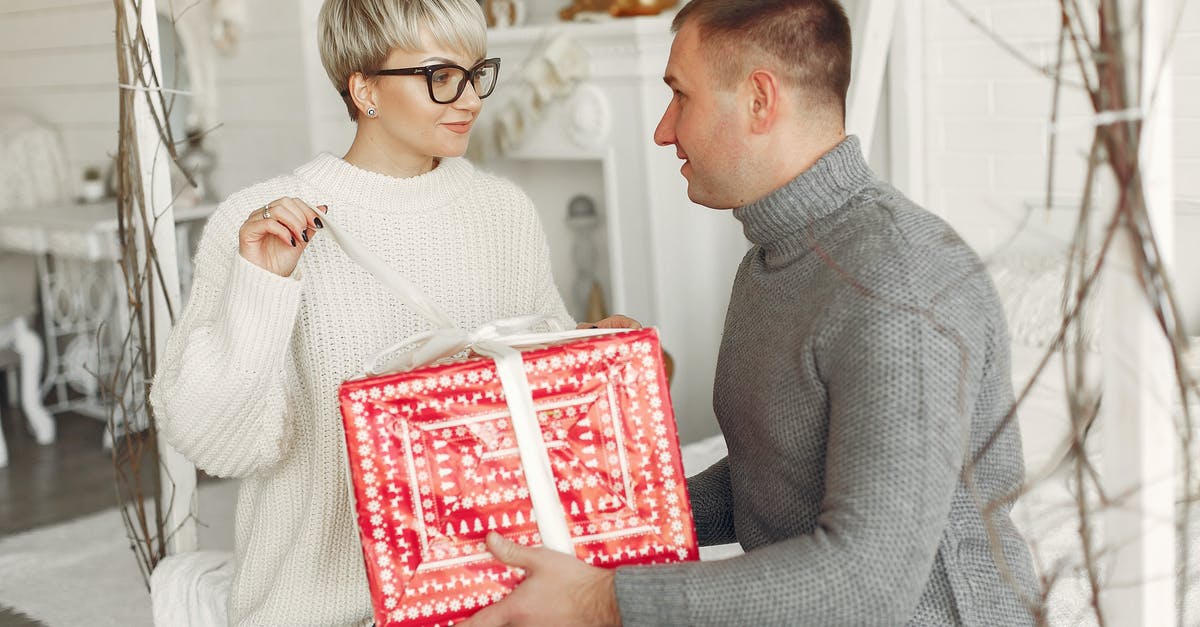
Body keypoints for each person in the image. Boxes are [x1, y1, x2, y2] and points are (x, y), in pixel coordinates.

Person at [462, 0, 1040, 625]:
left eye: (680, 96)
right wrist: (609, 514)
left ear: (760, 100)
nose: (663, 129)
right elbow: (772, 476)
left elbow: (868, 582)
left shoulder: (898, 278)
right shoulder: (775, 258)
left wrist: (601, 600)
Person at [149, 0, 571, 624]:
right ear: (365, 88)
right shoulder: (264, 222)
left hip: (496, 593)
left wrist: (590, 350)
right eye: (440, 76)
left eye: (476, 72)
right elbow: (216, 443)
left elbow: (550, 402)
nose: (471, 100)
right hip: (326, 607)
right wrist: (262, 289)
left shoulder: (504, 211)